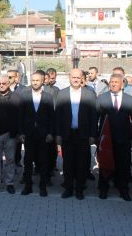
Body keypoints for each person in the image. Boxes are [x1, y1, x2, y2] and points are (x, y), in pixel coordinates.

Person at [97, 73, 132, 201]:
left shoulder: (130, 99)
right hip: (106, 139)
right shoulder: (102, 98)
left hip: (124, 139)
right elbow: (95, 117)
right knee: (105, 163)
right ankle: (103, 189)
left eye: (116, 82)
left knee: (124, 165)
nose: (113, 84)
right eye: (111, 82)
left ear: (122, 84)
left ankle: (123, 190)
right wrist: (95, 135)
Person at [55, 68, 98, 200]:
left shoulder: (89, 94)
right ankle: (68, 188)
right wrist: (58, 135)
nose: (75, 79)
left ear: (82, 79)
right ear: (69, 78)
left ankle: (79, 189)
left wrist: (92, 135)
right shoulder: (62, 94)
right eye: (73, 77)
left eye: (78, 77)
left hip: (83, 134)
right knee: (67, 163)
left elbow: (93, 116)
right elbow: (58, 116)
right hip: (67, 134)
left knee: (81, 163)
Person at [18, 71, 55, 197]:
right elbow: (21, 116)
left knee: (43, 161)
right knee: (28, 161)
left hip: (43, 135)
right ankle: (28, 186)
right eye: (33, 80)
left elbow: (52, 117)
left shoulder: (48, 97)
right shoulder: (24, 96)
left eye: (37, 80)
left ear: (43, 81)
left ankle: (43, 186)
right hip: (29, 134)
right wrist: (21, 132)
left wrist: (50, 133)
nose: (35, 82)